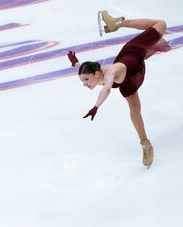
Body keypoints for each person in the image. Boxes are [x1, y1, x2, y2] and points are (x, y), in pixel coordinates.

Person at [67, 11, 171, 169]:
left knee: (161, 24)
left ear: (96, 74)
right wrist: (75, 62)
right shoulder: (92, 74)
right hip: (128, 81)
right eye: (82, 81)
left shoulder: (110, 72)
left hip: (134, 52)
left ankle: (120, 23)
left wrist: (96, 106)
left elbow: (107, 89)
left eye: (86, 80)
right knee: (135, 110)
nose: (85, 84)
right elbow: (80, 68)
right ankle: (146, 145)